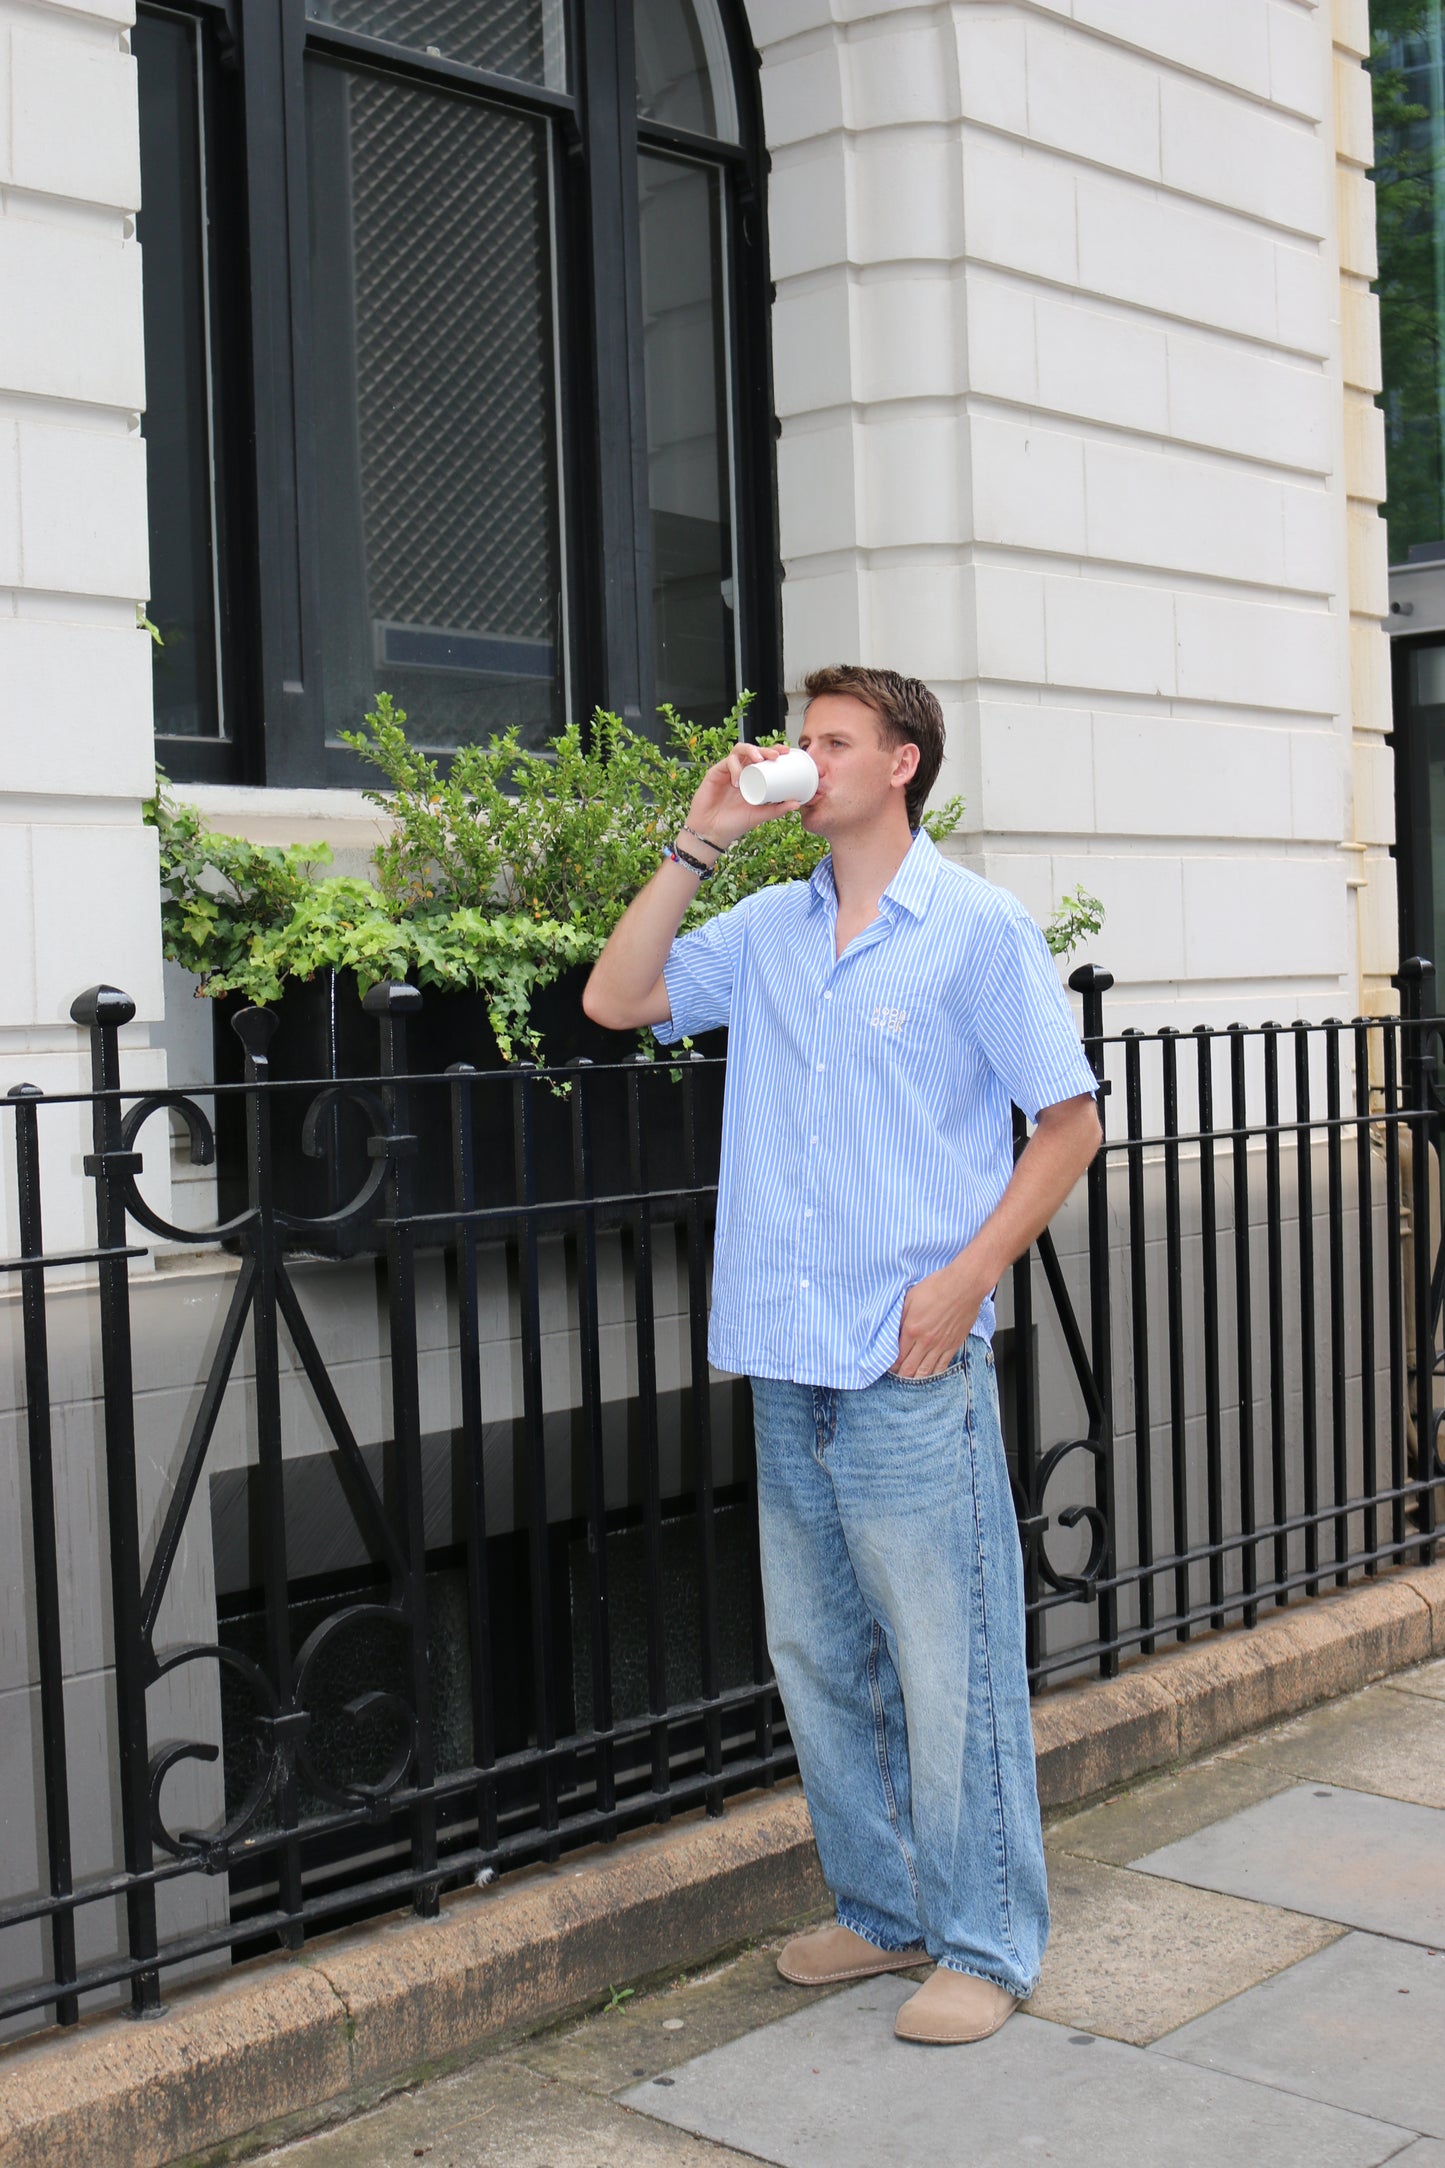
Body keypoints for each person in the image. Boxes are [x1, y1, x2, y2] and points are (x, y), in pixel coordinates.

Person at [583, 666, 1101, 2046]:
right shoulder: (764, 928)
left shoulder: (976, 929)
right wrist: (699, 837)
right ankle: (881, 1918)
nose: (803, 760)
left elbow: (1066, 1123)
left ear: (902, 764)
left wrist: (966, 1279)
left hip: (911, 1361)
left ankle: (982, 1946)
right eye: (799, 741)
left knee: (950, 1663)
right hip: (784, 1352)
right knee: (819, 1658)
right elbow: (616, 1000)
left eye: (831, 742)